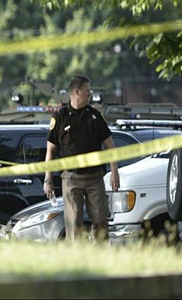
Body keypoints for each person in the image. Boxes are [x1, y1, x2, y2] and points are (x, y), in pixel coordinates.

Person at [43, 75, 120, 241]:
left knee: (100, 221)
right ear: (77, 92)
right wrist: (47, 179)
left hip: (95, 178)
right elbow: (50, 151)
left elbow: (110, 145)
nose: (89, 94)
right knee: (74, 224)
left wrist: (115, 172)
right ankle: (77, 260)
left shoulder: (94, 116)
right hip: (71, 179)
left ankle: (100, 258)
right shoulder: (60, 118)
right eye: (87, 91)